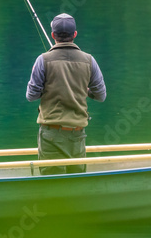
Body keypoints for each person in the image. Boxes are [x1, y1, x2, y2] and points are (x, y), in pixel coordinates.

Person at [26, 13, 106, 175]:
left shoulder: (42, 60)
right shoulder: (89, 60)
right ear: (74, 34)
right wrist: (85, 90)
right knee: (76, 182)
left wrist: (49, 88)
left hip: (51, 134)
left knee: (51, 184)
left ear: (53, 35)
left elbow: (31, 96)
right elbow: (100, 96)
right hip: (77, 134)